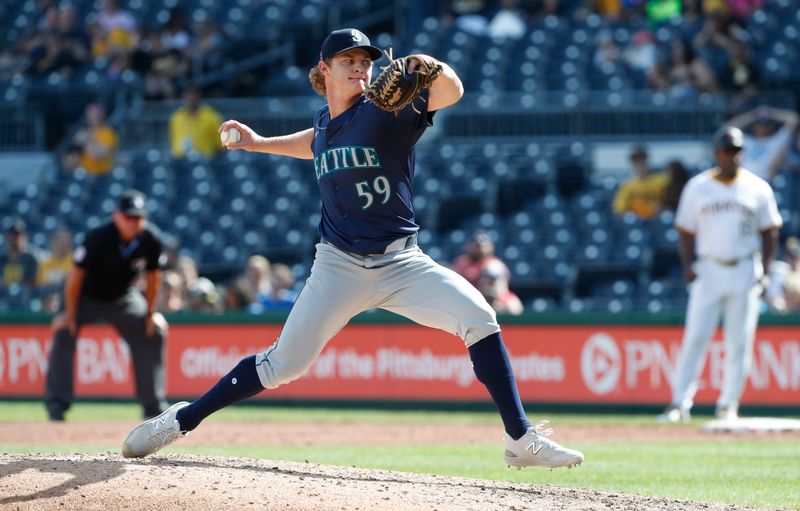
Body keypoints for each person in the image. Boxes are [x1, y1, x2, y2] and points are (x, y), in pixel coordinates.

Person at [122, 28, 583, 469]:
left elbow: (454, 91)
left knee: (479, 318)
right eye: (350, 62)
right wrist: (259, 143)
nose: (361, 70)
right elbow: (317, 143)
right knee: (283, 364)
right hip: (338, 266)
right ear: (324, 69)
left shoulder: (387, 112)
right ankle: (182, 419)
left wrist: (432, 66)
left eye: (366, 63)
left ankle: (520, 438)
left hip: (402, 263)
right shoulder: (326, 122)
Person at [657, 127, 781, 424]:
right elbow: (685, 231)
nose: (733, 155)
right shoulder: (698, 187)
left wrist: (764, 269)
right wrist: (689, 265)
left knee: (739, 341)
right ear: (717, 154)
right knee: (696, 337)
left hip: (744, 268)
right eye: (728, 150)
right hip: (709, 268)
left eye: (737, 150)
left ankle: (728, 404)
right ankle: (679, 402)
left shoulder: (757, 187)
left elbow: (770, 231)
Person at [45, 190, 169, 421]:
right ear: (117, 216)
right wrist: (69, 316)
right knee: (63, 330)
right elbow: (74, 278)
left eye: (139, 218)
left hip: (122, 296)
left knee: (154, 331)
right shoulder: (98, 236)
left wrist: (151, 314)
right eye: (129, 217)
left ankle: (153, 406)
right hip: (85, 295)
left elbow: (154, 279)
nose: (134, 222)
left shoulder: (151, 238)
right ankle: (57, 405)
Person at [724, 106, 799, 181]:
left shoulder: (776, 141)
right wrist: (753, 115)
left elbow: (794, 119)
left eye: (766, 125)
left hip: (763, 181)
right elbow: (726, 128)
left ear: (771, 126)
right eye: (760, 125)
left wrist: (771, 113)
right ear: (754, 126)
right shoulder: (746, 140)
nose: (763, 128)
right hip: (741, 180)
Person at [612, 144, 669, 219]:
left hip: (657, 220)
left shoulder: (662, 181)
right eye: (636, 161)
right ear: (632, 163)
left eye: (642, 160)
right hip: (637, 221)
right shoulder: (627, 185)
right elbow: (619, 209)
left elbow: (670, 204)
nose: (639, 164)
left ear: (647, 160)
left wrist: (661, 206)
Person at [61, 102, 118, 175]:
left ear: (101, 117)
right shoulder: (83, 132)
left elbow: (97, 155)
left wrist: (87, 141)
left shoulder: (108, 133)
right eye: (89, 115)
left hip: (103, 175)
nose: (91, 118)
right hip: (84, 174)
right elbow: (73, 152)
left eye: (94, 116)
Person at [169, 85, 223, 160]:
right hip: (180, 161)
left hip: (204, 162)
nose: (191, 97)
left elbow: (221, 145)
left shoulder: (211, 116)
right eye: (189, 93)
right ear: (184, 95)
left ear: (199, 95)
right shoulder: (176, 117)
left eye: (194, 93)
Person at [0, 217, 41, 300]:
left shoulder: (31, 258)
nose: (14, 239)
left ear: (25, 237)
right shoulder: (2, 259)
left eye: (17, 235)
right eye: (11, 235)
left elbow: (34, 284)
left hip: (25, 300)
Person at [36, 227, 73, 312]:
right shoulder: (44, 263)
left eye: (66, 239)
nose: (63, 242)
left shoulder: (75, 262)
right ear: (52, 241)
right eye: (59, 238)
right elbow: (40, 287)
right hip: (47, 302)